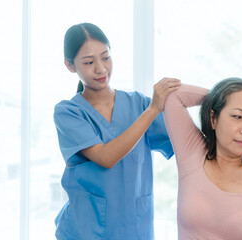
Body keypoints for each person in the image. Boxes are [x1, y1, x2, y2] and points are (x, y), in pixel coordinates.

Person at [53, 22, 180, 239]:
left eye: (106, 57)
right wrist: (152, 110)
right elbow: (106, 157)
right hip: (85, 230)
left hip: (135, 228)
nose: (101, 69)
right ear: (70, 66)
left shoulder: (138, 104)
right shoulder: (68, 112)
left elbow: (187, 141)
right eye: (89, 62)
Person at [163, 77, 242, 239]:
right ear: (213, 119)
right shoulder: (193, 154)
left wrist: (229, 102)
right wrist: (221, 98)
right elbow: (174, 95)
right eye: (237, 116)